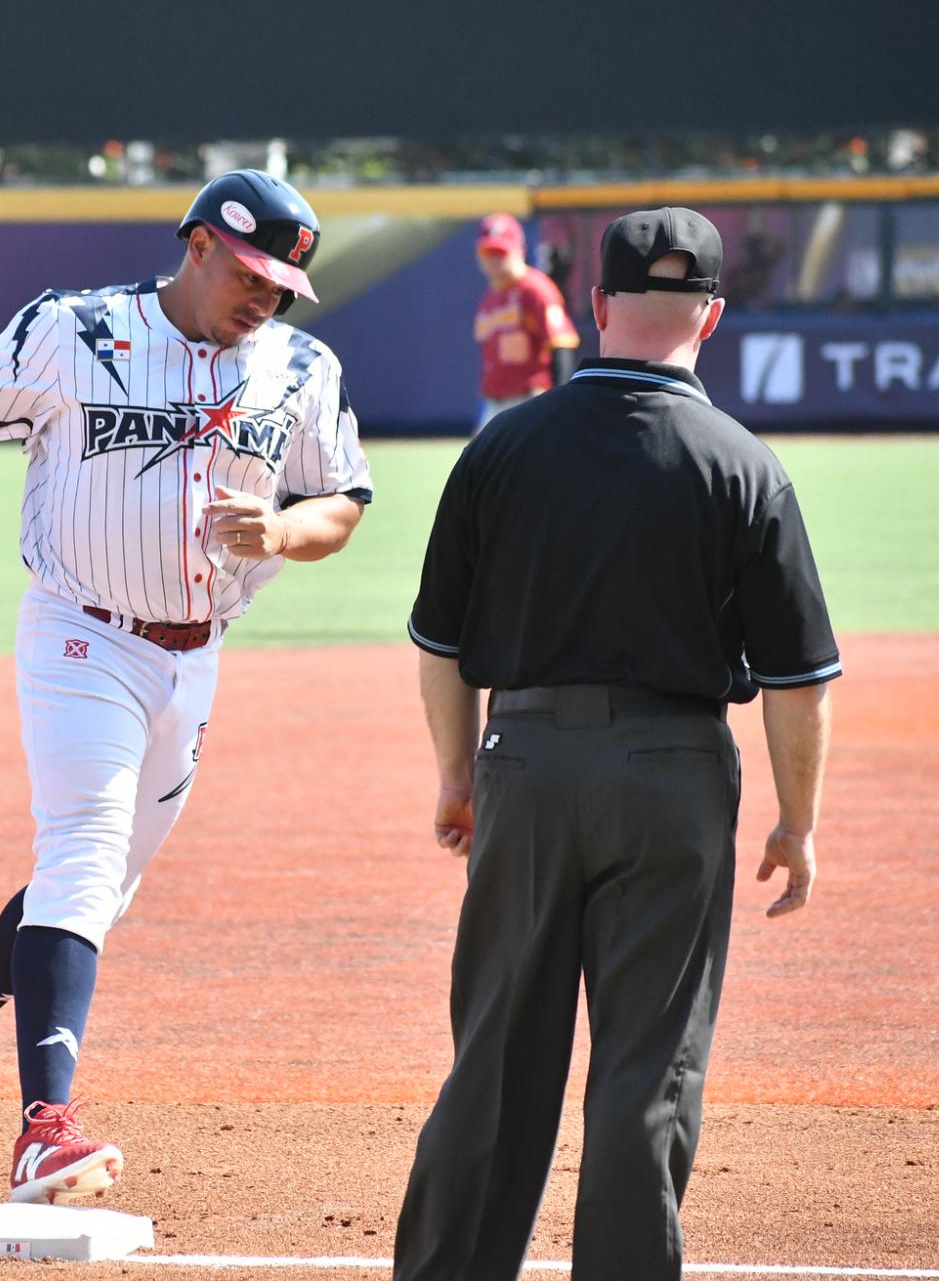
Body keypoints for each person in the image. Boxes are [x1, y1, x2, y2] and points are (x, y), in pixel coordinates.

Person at [0, 169, 373, 1205]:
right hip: (81, 630)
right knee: (81, 847)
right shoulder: (72, 329)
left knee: (96, 884)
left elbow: (340, 501)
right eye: (249, 275)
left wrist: (284, 531)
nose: (264, 298)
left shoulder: (301, 365)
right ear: (197, 245)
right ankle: (45, 1129)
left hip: (195, 655)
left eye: (281, 286)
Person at [395, 207, 841, 1279]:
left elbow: (441, 646)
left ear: (594, 304)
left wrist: (457, 778)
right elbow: (796, 680)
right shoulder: (742, 462)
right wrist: (797, 822)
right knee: (648, 1069)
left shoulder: (501, 447)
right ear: (712, 317)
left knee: (496, 1058)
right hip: (672, 778)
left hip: (526, 764)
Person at [472, 212, 580, 432]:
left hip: (529, 400)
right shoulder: (490, 297)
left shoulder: (535, 289)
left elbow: (562, 345)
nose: (493, 259)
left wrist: (560, 402)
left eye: (500, 252)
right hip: (494, 403)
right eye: (488, 252)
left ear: (519, 250)